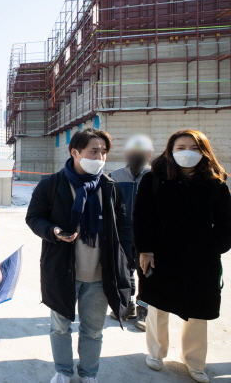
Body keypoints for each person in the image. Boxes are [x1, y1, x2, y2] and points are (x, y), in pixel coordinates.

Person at [26, 128, 133, 383]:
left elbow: (125, 228)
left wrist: (126, 265)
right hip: (62, 270)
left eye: (103, 152)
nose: (99, 157)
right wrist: (51, 231)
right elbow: (33, 217)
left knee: (93, 331)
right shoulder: (51, 185)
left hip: (99, 274)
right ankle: (63, 371)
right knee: (60, 327)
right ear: (75, 152)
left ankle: (88, 374)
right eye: (93, 151)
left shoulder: (110, 188)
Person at [133, 129, 231, 383]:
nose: (187, 152)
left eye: (194, 148)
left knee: (200, 310)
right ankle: (156, 352)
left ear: (204, 151)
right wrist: (145, 248)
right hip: (161, 253)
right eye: (180, 147)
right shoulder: (153, 179)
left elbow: (225, 222)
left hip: (202, 257)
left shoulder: (216, 182)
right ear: (171, 151)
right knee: (157, 305)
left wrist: (217, 247)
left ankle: (195, 362)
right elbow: (142, 217)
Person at [108, 134, 154, 330]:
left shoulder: (155, 177)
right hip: (122, 232)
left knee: (147, 272)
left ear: (149, 154)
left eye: (142, 152)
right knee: (125, 271)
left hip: (149, 233)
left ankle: (145, 312)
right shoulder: (114, 177)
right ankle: (128, 306)